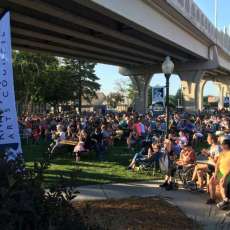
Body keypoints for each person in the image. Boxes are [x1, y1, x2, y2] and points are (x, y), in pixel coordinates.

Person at [206, 138, 230, 208]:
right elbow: (217, 164)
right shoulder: (222, 153)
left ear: (227, 145)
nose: (221, 146)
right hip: (220, 173)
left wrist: (224, 176)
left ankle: (225, 201)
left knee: (222, 184)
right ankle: (212, 198)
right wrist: (215, 173)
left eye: (223, 145)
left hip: (227, 174)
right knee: (211, 182)